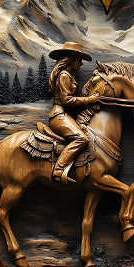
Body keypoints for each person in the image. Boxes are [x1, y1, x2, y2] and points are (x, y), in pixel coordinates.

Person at [47, 42, 99, 184]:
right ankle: (59, 168)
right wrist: (90, 99)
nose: (81, 63)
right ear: (72, 59)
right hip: (59, 115)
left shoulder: (68, 75)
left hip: (66, 115)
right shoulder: (64, 75)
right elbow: (66, 100)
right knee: (81, 139)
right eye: (79, 59)